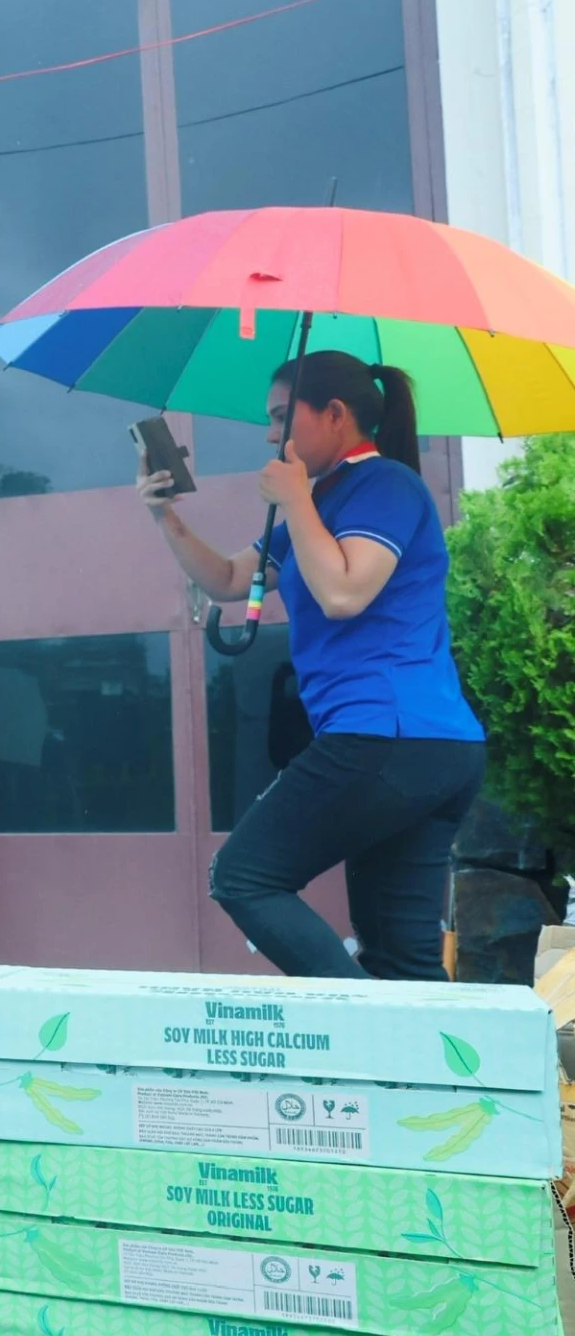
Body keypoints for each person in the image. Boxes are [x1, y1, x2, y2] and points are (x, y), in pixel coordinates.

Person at [138, 350, 485, 980]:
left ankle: (358, 1026)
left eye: (280, 416)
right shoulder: (320, 501)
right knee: (402, 960)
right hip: (422, 746)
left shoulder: (385, 485)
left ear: (334, 414)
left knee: (243, 875)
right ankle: (406, 1041)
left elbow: (345, 593)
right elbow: (228, 579)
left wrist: (296, 499)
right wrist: (165, 513)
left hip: (387, 735)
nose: (269, 435)